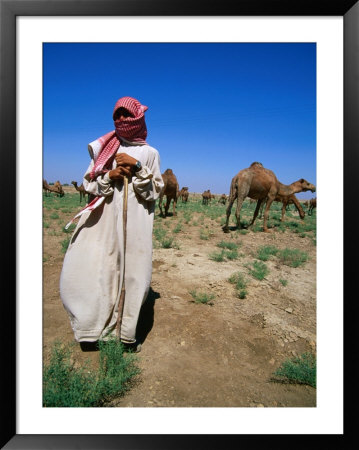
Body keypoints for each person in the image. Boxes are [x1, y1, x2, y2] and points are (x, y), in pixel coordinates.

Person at [60, 96, 164, 352]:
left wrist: (137, 167)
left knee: (134, 273)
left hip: (137, 222)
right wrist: (110, 174)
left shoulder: (150, 153)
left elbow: (155, 191)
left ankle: (127, 336)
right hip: (104, 220)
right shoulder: (108, 147)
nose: (120, 119)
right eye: (117, 115)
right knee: (96, 270)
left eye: (126, 114)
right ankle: (92, 330)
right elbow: (89, 183)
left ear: (138, 117)